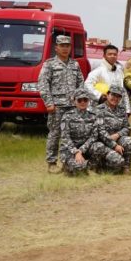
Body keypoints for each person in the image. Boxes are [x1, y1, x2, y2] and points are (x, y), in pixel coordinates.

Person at [37, 35, 85, 173]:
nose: (65, 48)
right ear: (56, 48)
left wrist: (80, 101)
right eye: (62, 46)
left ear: (70, 48)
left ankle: (67, 161)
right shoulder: (50, 64)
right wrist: (49, 103)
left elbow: (80, 84)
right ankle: (51, 163)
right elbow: (43, 84)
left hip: (72, 106)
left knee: (72, 134)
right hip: (57, 106)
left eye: (67, 46)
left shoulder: (75, 64)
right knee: (55, 134)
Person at [92, 84, 131, 174]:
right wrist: (113, 145)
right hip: (103, 141)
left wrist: (117, 135)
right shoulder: (98, 109)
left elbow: (127, 127)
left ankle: (125, 167)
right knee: (98, 147)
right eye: (113, 95)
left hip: (117, 139)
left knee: (129, 141)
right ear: (107, 95)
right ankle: (97, 166)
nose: (115, 98)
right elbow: (100, 131)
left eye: (118, 96)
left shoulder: (122, 110)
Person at [59, 88, 98, 176]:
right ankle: (69, 166)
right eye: (79, 100)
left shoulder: (93, 116)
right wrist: (76, 152)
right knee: (78, 168)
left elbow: (94, 136)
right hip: (69, 149)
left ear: (88, 101)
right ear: (74, 101)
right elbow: (65, 137)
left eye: (85, 100)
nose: (83, 102)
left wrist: (81, 150)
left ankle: (92, 167)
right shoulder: (67, 116)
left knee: (98, 146)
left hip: (85, 149)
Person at [84, 44, 129, 113]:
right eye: (110, 54)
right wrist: (100, 96)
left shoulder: (119, 72)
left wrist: (127, 109)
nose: (112, 56)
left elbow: (123, 90)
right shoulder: (98, 71)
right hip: (101, 109)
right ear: (104, 56)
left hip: (117, 109)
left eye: (115, 54)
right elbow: (87, 85)